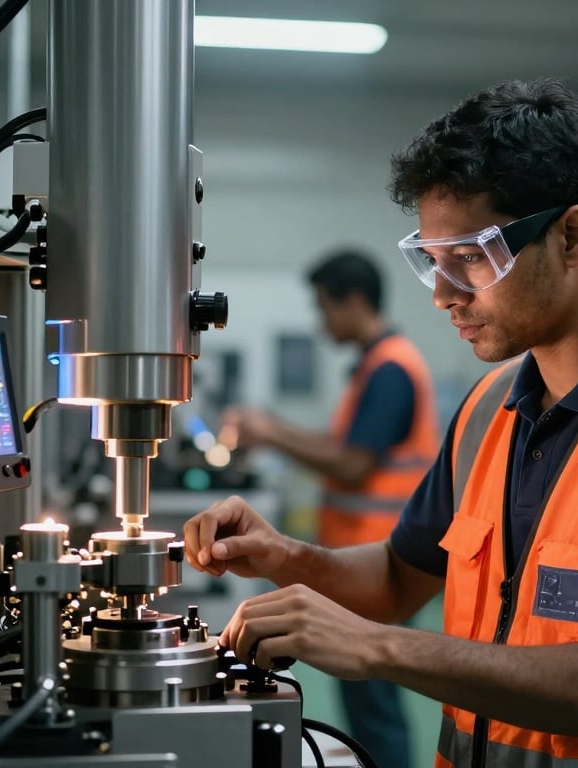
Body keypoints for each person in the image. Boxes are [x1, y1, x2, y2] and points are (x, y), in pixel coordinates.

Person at [188, 78, 578, 768]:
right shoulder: (492, 408)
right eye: (431, 262)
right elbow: (398, 579)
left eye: (471, 259)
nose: (445, 296)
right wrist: (288, 559)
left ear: (572, 236)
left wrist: (377, 648)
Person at [219, 249, 438, 768]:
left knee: (374, 702)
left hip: (381, 563)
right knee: (365, 698)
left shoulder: (391, 370)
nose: (321, 323)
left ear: (355, 300)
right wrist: (271, 429)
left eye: (324, 308)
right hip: (366, 559)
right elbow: (340, 446)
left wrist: (272, 433)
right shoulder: (373, 368)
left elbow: (352, 464)